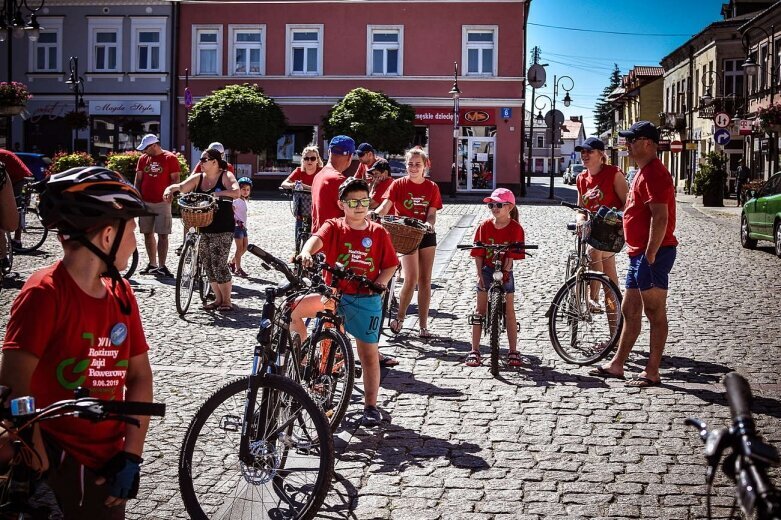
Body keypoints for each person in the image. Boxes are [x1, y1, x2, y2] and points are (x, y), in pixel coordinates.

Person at [0, 167, 155, 517]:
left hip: (108, 462)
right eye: (132, 227)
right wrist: (36, 453)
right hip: (54, 459)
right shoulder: (44, 294)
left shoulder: (122, 293)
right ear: (107, 236)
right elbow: (12, 384)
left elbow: (139, 377)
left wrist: (131, 455)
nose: (135, 237)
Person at [291, 177, 398, 426]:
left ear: (369, 202)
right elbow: (316, 239)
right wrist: (307, 252)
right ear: (342, 204)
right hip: (334, 295)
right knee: (292, 310)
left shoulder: (378, 232)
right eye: (352, 202)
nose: (359, 206)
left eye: (363, 201)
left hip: (366, 298)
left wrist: (381, 283)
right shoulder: (334, 226)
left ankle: (370, 405)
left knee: (368, 354)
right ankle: (308, 360)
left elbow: (391, 264)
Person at [588, 121, 678, 388]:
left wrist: (649, 255)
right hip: (639, 254)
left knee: (654, 312)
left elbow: (660, 218)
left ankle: (652, 371)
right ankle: (617, 365)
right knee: (630, 309)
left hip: (654, 254)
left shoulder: (655, 174)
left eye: (632, 139)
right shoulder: (640, 171)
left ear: (647, 143)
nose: (627, 144)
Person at [375, 147, 443, 338]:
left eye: (417, 164)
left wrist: (429, 224)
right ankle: (400, 317)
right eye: (410, 164)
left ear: (425, 166)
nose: (413, 168)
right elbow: (385, 206)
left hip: (425, 234)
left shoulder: (432, 187)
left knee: (425, 280)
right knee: (411, 278)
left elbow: (431, 214)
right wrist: (374, 214)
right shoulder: (398, 184)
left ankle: (423, 325)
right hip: (405, 235)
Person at [163, 148, 240, 311]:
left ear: (214, 162)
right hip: (204, 227)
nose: (201, 163)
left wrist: (217, 194)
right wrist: (169, 189)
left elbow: (237, 192)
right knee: (207, 262)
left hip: (223, 226)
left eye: (204, 160)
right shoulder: (198, 178)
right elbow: (182, 187)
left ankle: (227, 300)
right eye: (201, 159)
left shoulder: (225, 175)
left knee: (219, 262)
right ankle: (218, 299)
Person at [465, 188, 526, 368]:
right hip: (487, 267)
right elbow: (478, 253)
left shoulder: (516, 228)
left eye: (498, 205)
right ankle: (474, 349)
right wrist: (478, 274)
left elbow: (513, 255)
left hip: (504, 268)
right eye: (491, 205)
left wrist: (506, 271)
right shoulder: (484, 226)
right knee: (479, 310)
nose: (494, 208)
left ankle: (513, 350)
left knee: (509, 310)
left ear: (509, 207)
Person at [574, 137, 628, 292]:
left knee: (593, 251)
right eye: (582, 151)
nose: (584, 154)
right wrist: (580, 220)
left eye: (589, 151)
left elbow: (628, 203)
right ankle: (616, 314)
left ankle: (593, 298)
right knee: (610, 279)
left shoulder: (613, 174)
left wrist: (614, 217)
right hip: (594, 230)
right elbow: (581, 209)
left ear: (601, 154)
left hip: (612, 230)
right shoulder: (581, 178)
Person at [134, 134, 181, 277]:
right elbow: (138, 179)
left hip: (162, 202)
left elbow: (175, 180)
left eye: (146, 148)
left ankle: (162, 265)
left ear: (154, 145)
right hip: (146, 201)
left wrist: (171, 196)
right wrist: (136, 196)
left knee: (163, 234)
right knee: (147, 233)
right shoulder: (143, 159)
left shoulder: (170, 158)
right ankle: (152, 264)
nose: (144, 151)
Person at [310, 135, 355, 233]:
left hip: (318, 238)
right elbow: (355, 215)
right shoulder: (339, 180)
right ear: (349, 156)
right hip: (334, 241)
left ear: (329, 152)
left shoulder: (319, 175)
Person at [0, 148, 33, 265]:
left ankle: (17, 240)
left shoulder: (1, 156)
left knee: (15, 210)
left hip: (19, 179)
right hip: (19, 177)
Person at [230, 177, 252, 278]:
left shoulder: (243, 200)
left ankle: (232, 261)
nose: (246, 191)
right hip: (237, 227)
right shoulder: (236, 200)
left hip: (243, 227)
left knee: (245, 247)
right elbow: (231, 212)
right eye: (243, 189)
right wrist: (236, 221)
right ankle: (238, 268)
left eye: (248, 190)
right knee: (239, 248)